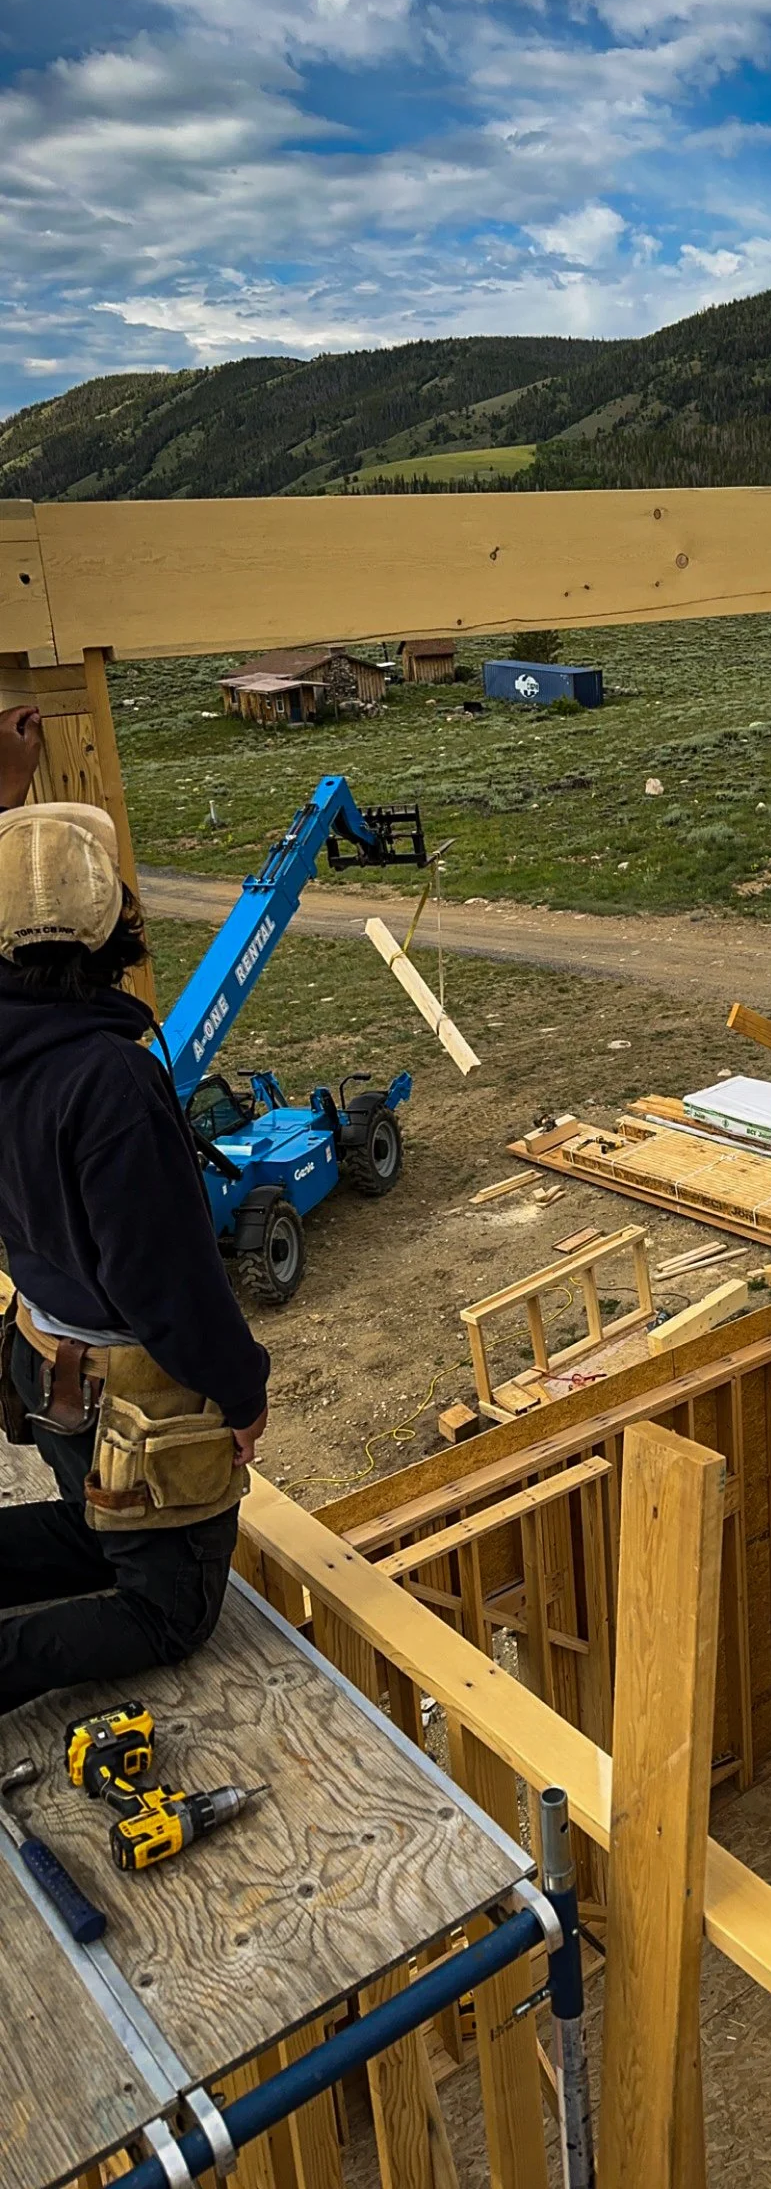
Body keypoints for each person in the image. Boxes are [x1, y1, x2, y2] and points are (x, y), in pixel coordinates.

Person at [0, 698, 269, 1711]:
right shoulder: (107, 1079)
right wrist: (240, 1391)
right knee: (170, 1604)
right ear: (116, 918)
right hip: (131, 1388)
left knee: (93, 1518)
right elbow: (167, 1281)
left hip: (44, 1358)